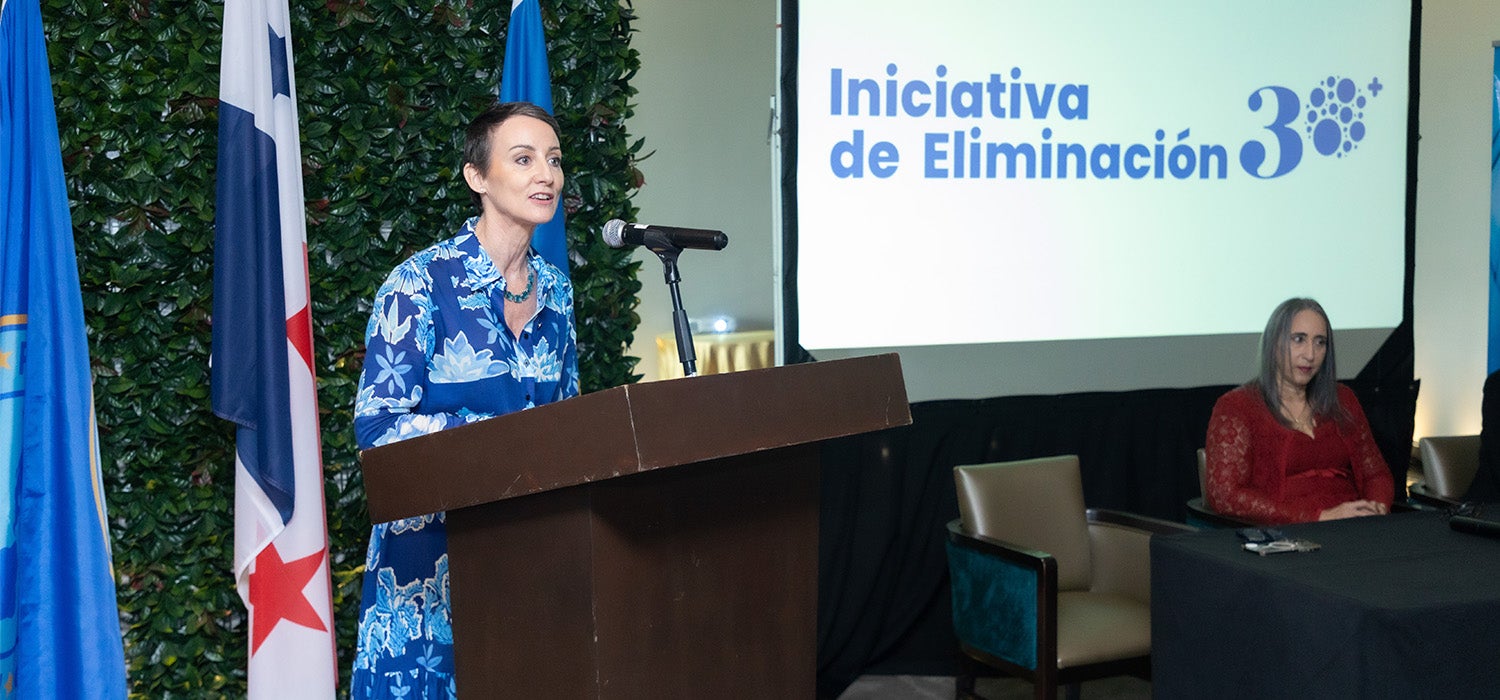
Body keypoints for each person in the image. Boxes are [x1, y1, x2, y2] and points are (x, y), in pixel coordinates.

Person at [348, 102, 579, 699]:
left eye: (554, 160)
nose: (546, 175)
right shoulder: (418, 284)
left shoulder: (556, 290)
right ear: (477, 176)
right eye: (524, 159)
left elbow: (570, 422)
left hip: (527, 564)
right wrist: (497, 439)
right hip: (426, 574)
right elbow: (378, 429)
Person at [1204, 297, 1392, 525]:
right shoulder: (1237, 407)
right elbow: (1225, 496)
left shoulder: (1343, 399)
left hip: (1355, 529)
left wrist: (1376, 509)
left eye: (1320, 342)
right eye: (1299, 339)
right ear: (1274, 343)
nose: (1310, 354)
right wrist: (1320, 517)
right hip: (1287, 535)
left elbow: (1376, 474)